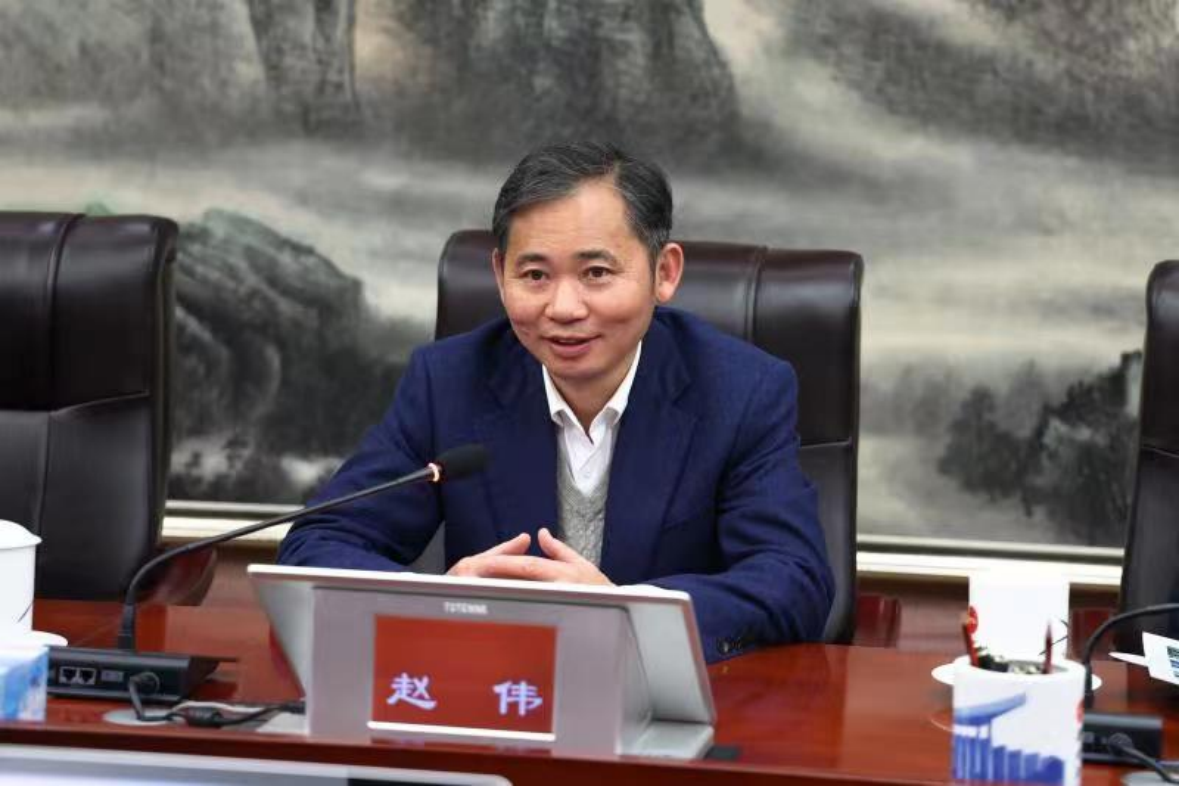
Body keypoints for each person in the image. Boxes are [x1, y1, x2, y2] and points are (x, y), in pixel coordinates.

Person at [278, 141, 834, 661]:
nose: (564, 308)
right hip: (493, 691)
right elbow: (320, 543)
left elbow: (794, 581)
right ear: (500, 276)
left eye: (596, 273)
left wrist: (628, 611)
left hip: (668, 698)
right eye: (535, 275)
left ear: (663, 274)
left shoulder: (741, 392)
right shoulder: (447, 382)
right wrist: (438, 602)